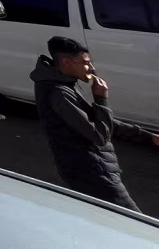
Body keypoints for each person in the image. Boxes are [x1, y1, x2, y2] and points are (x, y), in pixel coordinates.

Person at [31, 36, 159, 210]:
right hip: (92, 173)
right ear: (67, 62)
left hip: (95, 169)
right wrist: (101, 99)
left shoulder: (64, 82)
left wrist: (147, 137)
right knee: (135, 222)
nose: (91, 68)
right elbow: (100, 135)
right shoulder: (59, 93)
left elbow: (95, 119)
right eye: (85, 63)